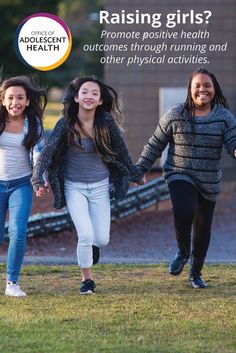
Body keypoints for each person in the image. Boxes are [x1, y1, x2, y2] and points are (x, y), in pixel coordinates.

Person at [31, 76, 142, 295]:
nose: (89, 96)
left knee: (101, 238)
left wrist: (135, 173)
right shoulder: (66, 123)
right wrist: (37, 178)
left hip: (100, 186)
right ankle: (87, 280)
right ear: (76, 97)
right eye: (85, 92)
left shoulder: (106, 122)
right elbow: (48, 152)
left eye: (94, 93)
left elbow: (121, 150)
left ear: (100, 100)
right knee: (85, 234)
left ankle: (92, 247)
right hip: (74, 187)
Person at [136, 68, 236, 288]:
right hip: (179, 172)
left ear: (214, 89)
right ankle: (182, 251)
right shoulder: (176, 114)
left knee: (203, 227)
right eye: (197, 86)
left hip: (209, 179)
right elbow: (155, 143)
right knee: (184, 210)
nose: (203, 89)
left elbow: (233, 143)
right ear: (190, 90)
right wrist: (141, 168)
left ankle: (196, 273)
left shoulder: (223, 117)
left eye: (207, 85)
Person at [0, 76, 47, 297]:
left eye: (20, 97)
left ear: (28, 101)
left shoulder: (33, 124)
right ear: (3, 100)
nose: (15, 102)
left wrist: (38, 180)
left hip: (22, 184)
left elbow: (39, 155)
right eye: (10, 98)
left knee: (18, 232)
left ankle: (12, 283)